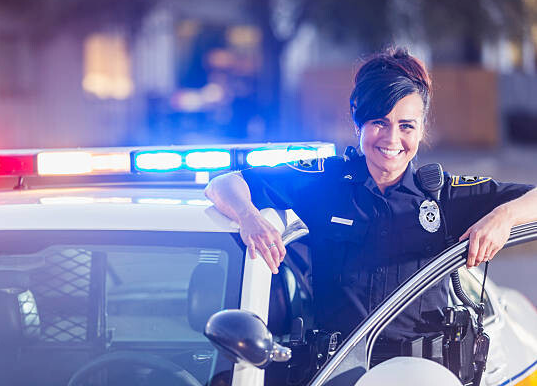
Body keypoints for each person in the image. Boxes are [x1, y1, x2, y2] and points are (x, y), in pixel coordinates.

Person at [204, 47, 537, 346]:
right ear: (357, 119)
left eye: (407, 125)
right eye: (380, 122)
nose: (392, 138)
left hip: (421, 376)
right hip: (338, 372)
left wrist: (503, 216)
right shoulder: (326, 182)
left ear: (421, 128)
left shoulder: (444, 195)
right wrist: (249, 216)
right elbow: (225, 183)